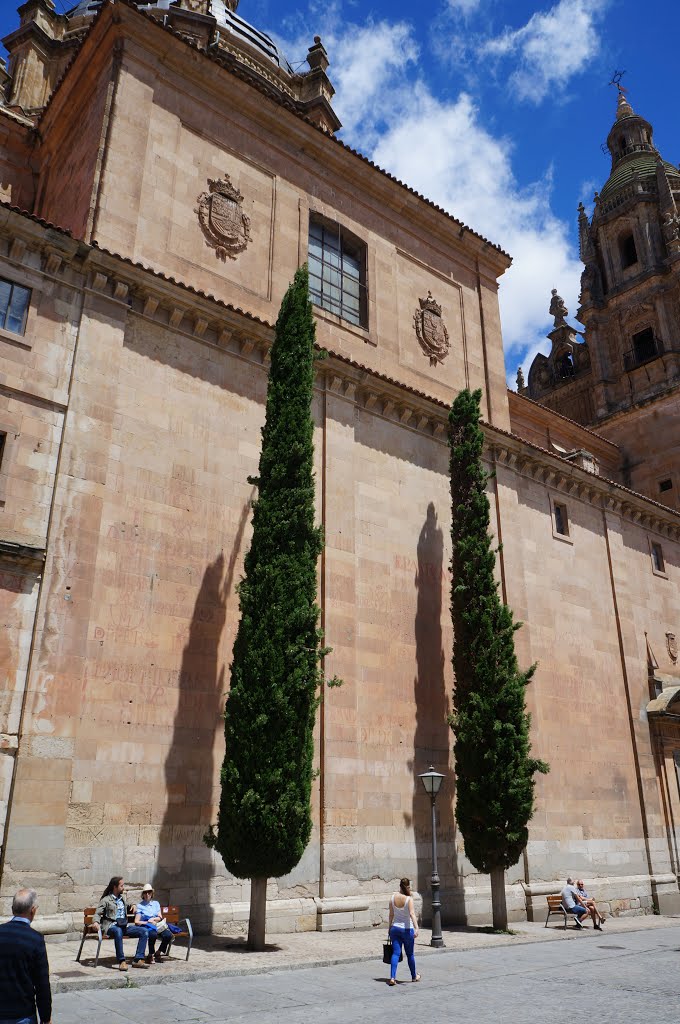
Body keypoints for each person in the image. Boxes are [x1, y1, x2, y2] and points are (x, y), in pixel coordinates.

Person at [0, 887, 52, 1024]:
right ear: (33, 910)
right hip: (22, 1014)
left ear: (12, 909)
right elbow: (42, 985)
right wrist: (46, 1018)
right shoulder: (35, 939)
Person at [90, 876, 149, 970]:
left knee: (144, 931)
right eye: (121, 886)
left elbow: (129, 904)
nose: (123, 887)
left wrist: (133, 905)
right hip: (111, 926)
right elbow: (97, 913)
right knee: (118, 931)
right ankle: (122, 961)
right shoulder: (106, 900)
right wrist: (96, 922)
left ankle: (138, 959)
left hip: (124, 926)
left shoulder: (121, 899)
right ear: (115, 887)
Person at [387, 877, 421, 986]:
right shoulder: (408, 899)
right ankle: (414, 976)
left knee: (396, 953)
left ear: (399, 886)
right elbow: (412, 914)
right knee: (410, 954)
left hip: (395, 928)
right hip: (407, 929)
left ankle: (392, 977)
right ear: (408, 886)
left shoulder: (392, 898)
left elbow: (391, 915)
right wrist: (417, 928)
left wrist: (389, 927)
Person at [135, 883, 172, 964]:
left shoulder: (156, 903)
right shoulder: (140, 906)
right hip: (148, 925)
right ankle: (150, 954)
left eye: (149, 892)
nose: (147, 894)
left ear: (152, 893)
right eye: (145, 892)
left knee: (168, 935)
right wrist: (147, 921)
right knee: (153, 934)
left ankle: (158, 952)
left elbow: (160, 917)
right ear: (143, 894)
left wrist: (153, 919)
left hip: (157, 924)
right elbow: (136, 921)